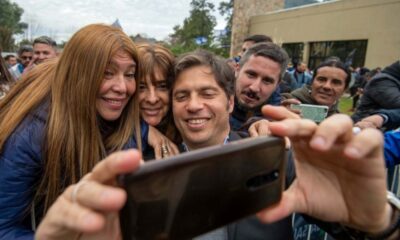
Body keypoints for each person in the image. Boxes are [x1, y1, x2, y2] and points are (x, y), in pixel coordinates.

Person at [35, 106, 400, 239]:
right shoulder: (137, 170)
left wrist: (381, 221)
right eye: (182, 95)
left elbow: (368, 225)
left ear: (229, 102)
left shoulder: (277, 158)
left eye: (206, 92)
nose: (194, 105)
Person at [0, 24, 162, 239]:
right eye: (107, 73)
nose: (122, 87)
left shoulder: (122, 115)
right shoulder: (30, 135)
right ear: (78, 74)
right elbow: (3, 227)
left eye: (130, 74)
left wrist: (145, 129)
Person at [230, 42, 289, 131]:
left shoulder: (281, 123)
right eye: (251, 74)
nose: (254, 88)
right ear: (237, 70)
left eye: (267, 81)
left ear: (277, 84)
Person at [137, 43, 179, 159]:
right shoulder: (109, 135)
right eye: (141, 87)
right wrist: (141, 130)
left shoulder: (188, 131)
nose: (152, 99)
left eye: (162, 86)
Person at [282, 59, 351, 118]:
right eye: (321, 79)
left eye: (336, 82)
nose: (327, 86)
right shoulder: (286, 103)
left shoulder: (340, 121)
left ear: (344, 89)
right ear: (312, 82)